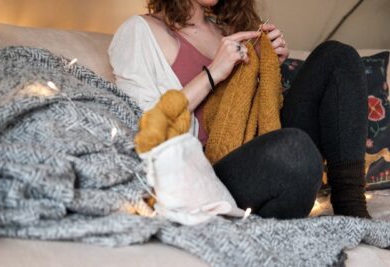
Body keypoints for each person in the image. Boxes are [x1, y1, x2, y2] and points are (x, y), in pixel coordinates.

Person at [108, 0, 371, 219]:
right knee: (295, 150)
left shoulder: (229, 30)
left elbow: (259, 116)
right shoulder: (141, 31)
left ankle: (352, 210)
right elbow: (144, 126)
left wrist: (270, 68)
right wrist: (213, 73)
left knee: (337, 56)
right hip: (213, 176)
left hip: (265, 153)